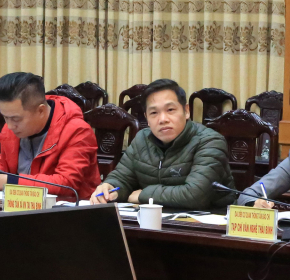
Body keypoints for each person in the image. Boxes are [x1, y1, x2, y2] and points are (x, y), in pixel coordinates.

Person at [89, 79, 235, 209]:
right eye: (154, 113)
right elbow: (122, 178)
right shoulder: (142, 139)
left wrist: (143, 195)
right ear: (146, 118)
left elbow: (195, 195)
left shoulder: (210, 141)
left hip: (208, 224)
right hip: (154, 221)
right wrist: (109, 187)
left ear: (186, 111)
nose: (163, 119)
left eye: (170, 110)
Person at [0, 72, 99, 200]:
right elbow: (2, 166)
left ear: (41, 110)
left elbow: (66, 183)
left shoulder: (77, 131)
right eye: (5, 117)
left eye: (16, 119)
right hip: (19, 204)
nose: (10, 125)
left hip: (67, 208)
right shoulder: (11, 128)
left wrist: (11, 181)